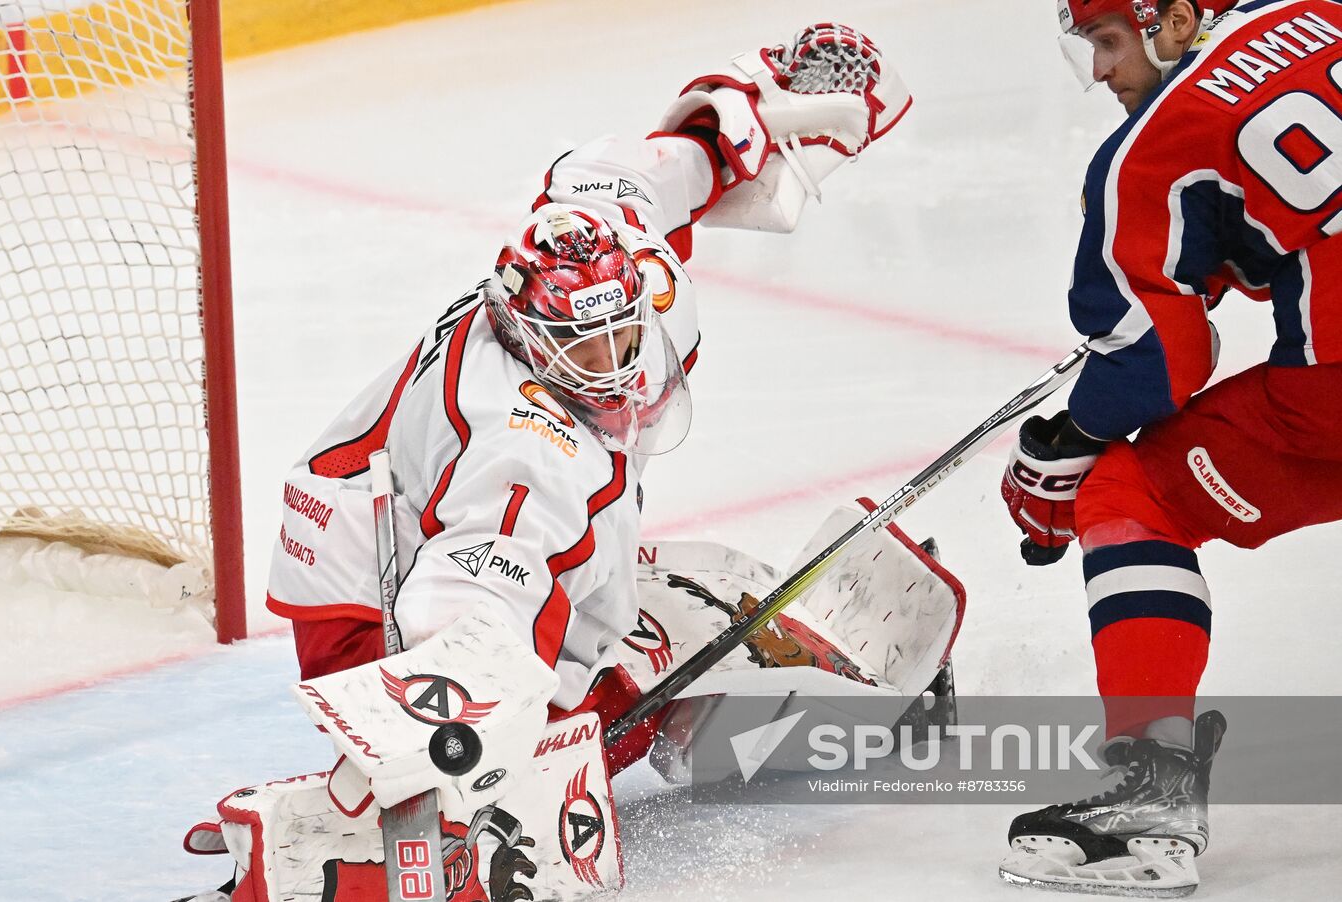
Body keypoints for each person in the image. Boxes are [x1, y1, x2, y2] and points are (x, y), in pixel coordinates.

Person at [177, 24, 965, 902]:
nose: (617, 365)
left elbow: (638, 173)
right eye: (585, 350)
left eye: (623, 335)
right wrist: (427, 785)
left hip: (375, 520)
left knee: (628, 606)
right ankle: (410, 800)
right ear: (528, 336)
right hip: (380, 610)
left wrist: (736, 125)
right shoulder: (529, 448)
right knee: (631, 684)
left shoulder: (610, 249)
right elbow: (465, 608)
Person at [999, 0, 1342, 894]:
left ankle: (1152, 787)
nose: (1102, 72)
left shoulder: (1152, 145)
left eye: (1109, 43)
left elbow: (1159, 364)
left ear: (1178, 20)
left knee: (1130, 489)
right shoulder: (1323, 14)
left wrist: (1069, 444)